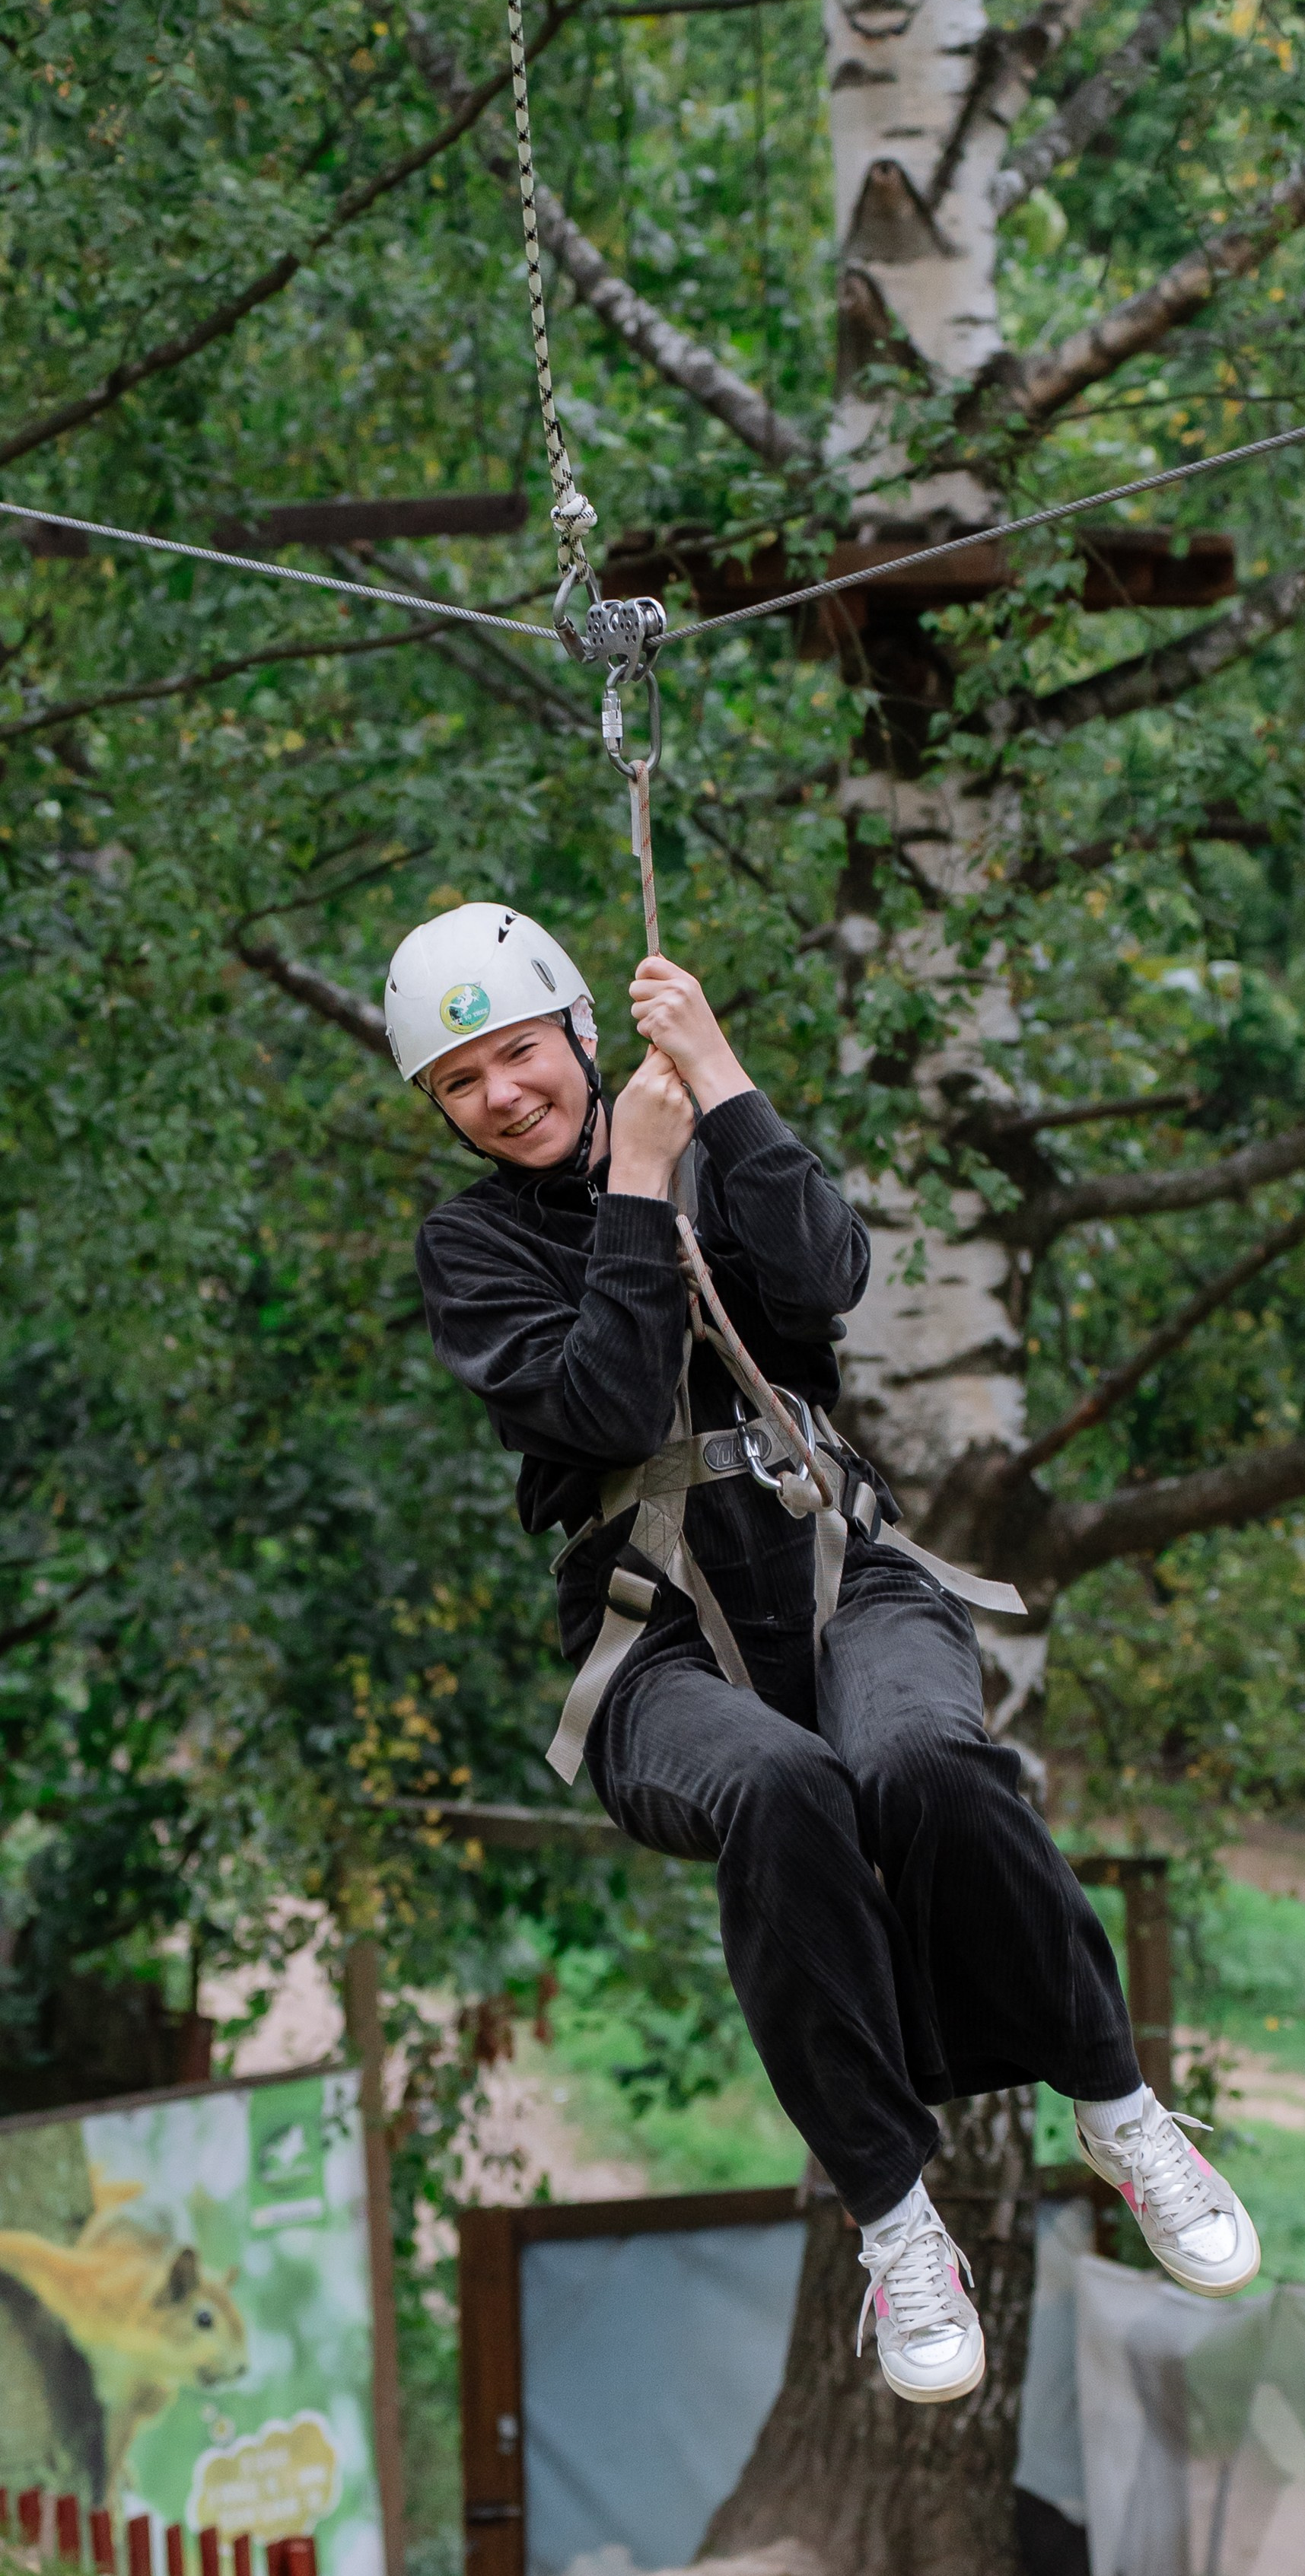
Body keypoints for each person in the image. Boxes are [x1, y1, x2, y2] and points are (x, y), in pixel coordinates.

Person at [388, 901, 1261, 2404]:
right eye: (460, 1084)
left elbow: (828, 1276)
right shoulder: (469, 1245)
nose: (499, 1096)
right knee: (785, 1787)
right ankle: (895, 2215)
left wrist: (718, 1078)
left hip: (841, 1567)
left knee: (923, 1757)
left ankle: (1119, 2111)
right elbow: (601, 1406)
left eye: (517, 1052)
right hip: (654, 1645)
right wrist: (636, 1188)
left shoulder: (704, 1135)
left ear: (579, 1033)